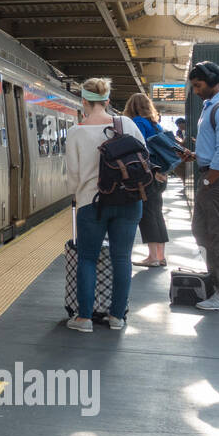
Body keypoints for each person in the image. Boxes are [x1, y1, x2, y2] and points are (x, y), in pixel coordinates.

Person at [64, 77, 146, 332]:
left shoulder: (76, 132)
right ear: (108, 100)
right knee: (122, 258)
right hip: (129, 200)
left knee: (87, 258)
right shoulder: (128, 124)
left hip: (93, 202)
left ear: (84, 101)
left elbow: (73, 177)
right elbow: (144, 159)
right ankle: (117, 317)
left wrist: (78, 195)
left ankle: (85, 318)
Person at [184, 61, 219, 310]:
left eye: (198, 85)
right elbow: (216, 147)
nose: (196, 91)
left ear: (211, 81)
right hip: (211, 173)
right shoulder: (211, 107)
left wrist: (209, 179)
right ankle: (217, 282)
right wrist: (197, 156)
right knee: (202, 229)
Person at [124, 93, 169, 267]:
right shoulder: (155, 125)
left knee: (148, 215)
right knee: (157, 214)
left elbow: (139, 149)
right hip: (161, 175)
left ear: (131, 106)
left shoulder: (138, 123)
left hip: (149, 174)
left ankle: (153, 257)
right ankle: (160, 255)